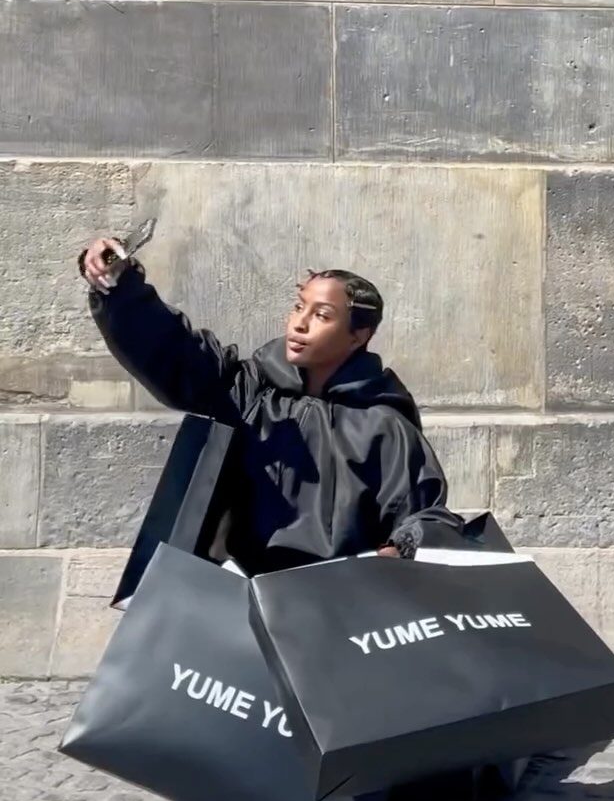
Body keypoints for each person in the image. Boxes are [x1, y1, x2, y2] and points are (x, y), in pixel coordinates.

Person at [80, 237, 463, 573]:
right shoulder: (247, 392)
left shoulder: (386, 427)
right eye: (299, 307)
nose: (300, 323)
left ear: (358, 336)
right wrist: (121, 286)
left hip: (336, 607)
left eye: (321, 315)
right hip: (235, 599)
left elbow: (425, 514)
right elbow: (176, 353)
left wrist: (401, 548)